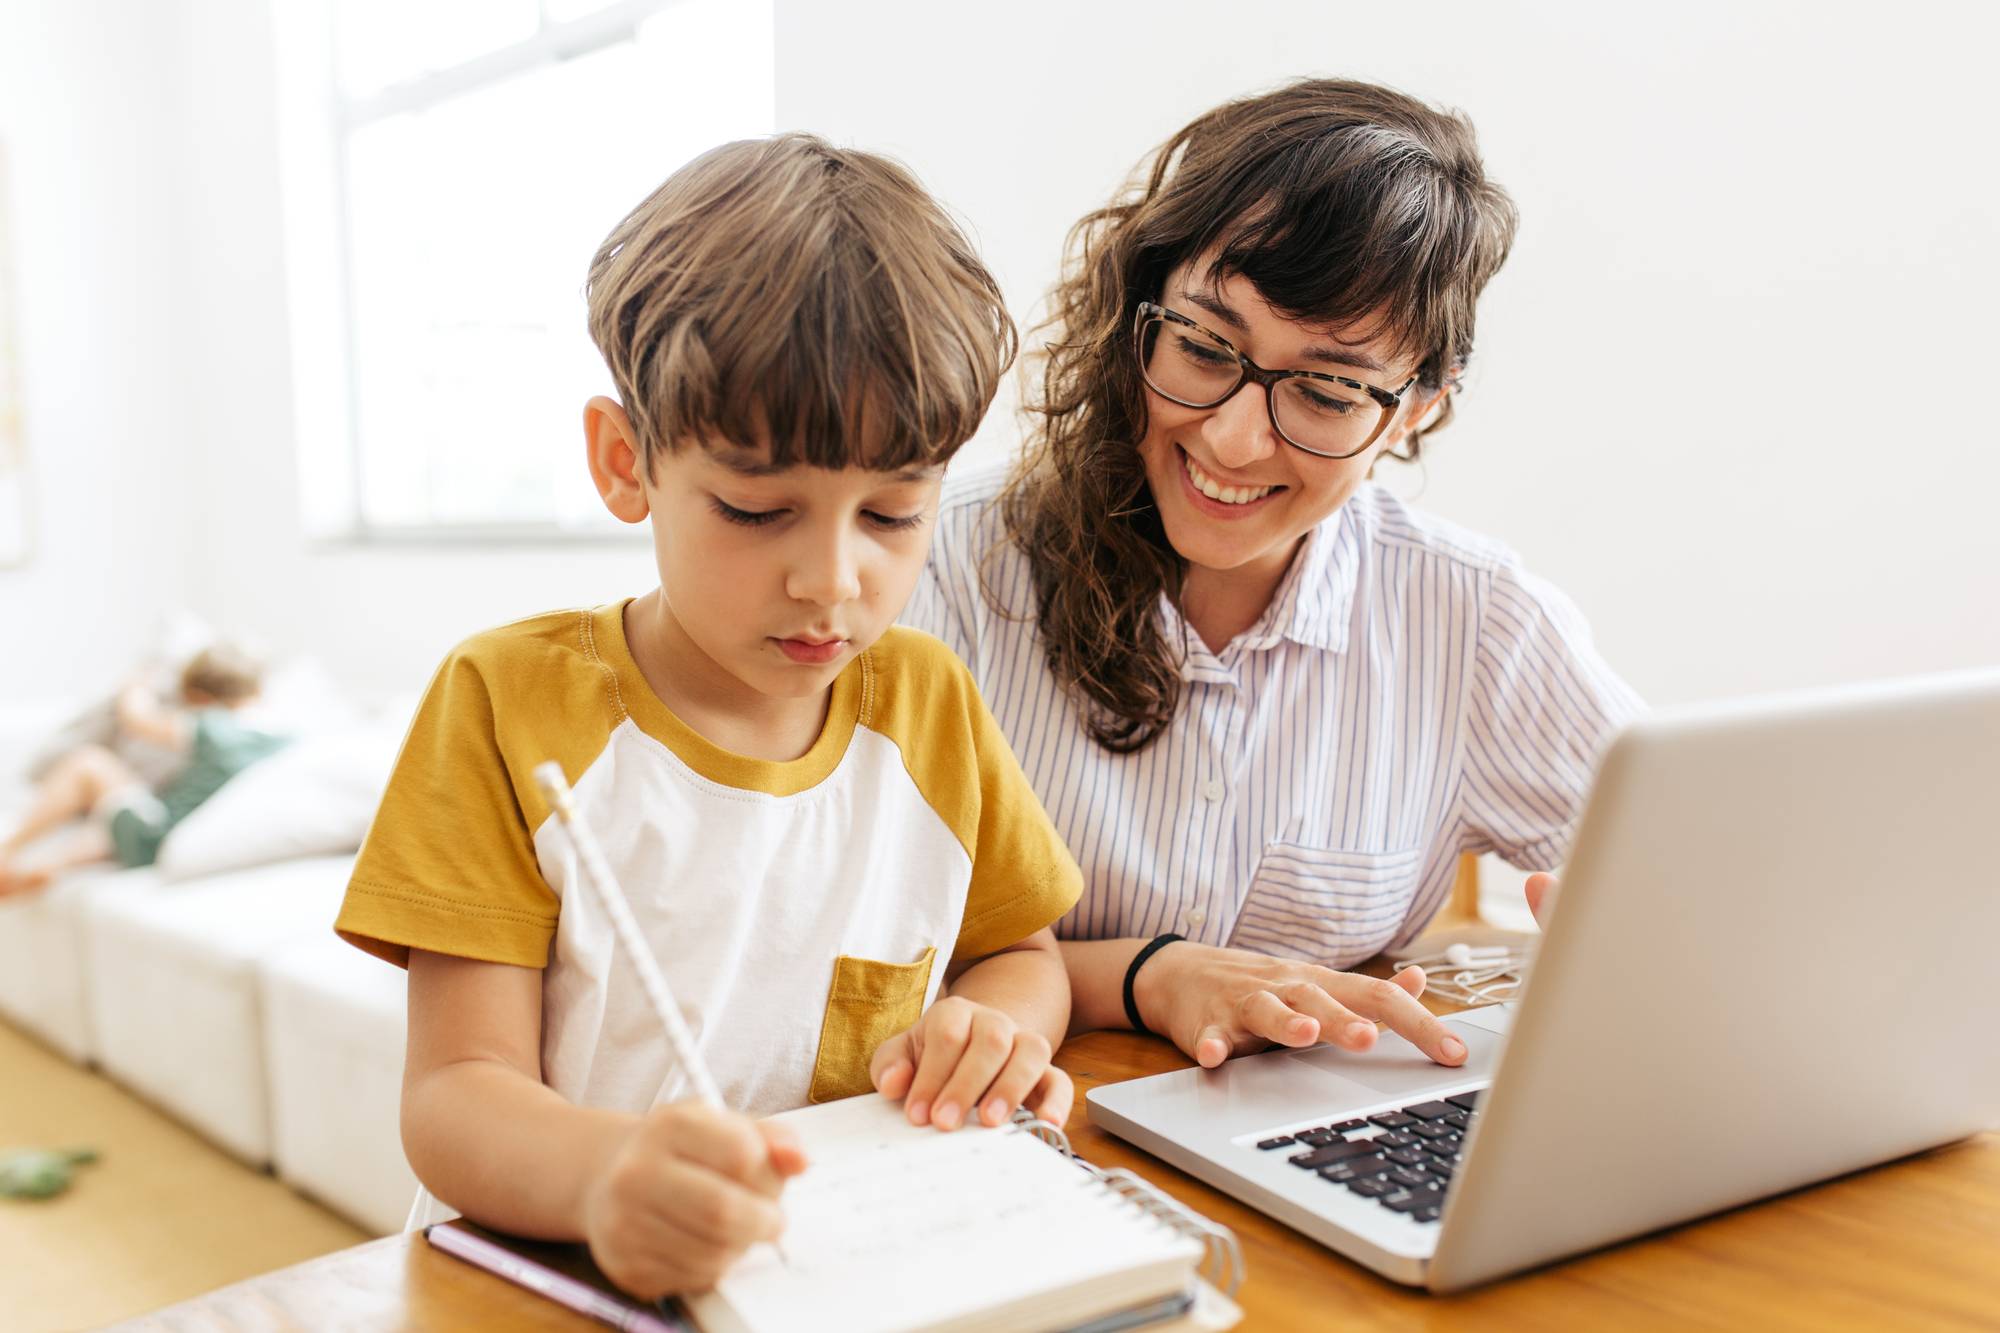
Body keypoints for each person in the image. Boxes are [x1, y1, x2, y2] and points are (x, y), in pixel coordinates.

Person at [333, 134, 1081, 1302]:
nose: (831, 579)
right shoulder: (504, 702)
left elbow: (1020, 954)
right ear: (624, 460)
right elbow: (452, 1095)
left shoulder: (925, 701)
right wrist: (607, 1177)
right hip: (557, 1279)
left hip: (843, 1279)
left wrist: (991, 1025)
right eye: (754, 509)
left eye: (891, 515)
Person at [903, 79, 1643, 1073]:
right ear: (1140, 314)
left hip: (1306, 1143)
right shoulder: (943, 567)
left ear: (1418, 404)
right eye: (1205, 348)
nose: (1233, 436)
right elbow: (843, 960)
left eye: (1327, 392)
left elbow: (1703, 874)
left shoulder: (1473, 620)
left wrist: (1649, 932)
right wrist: (1150, 976)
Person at [0, 645, 285, 895]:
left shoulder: (214, 725)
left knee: (90, 763)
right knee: (111, 821)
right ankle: (47, 867)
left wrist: (138, 681)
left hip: (155, 836)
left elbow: (136, 717)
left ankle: (8, 850)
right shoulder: (277, 740)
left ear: (200, 698)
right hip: (176, 838)